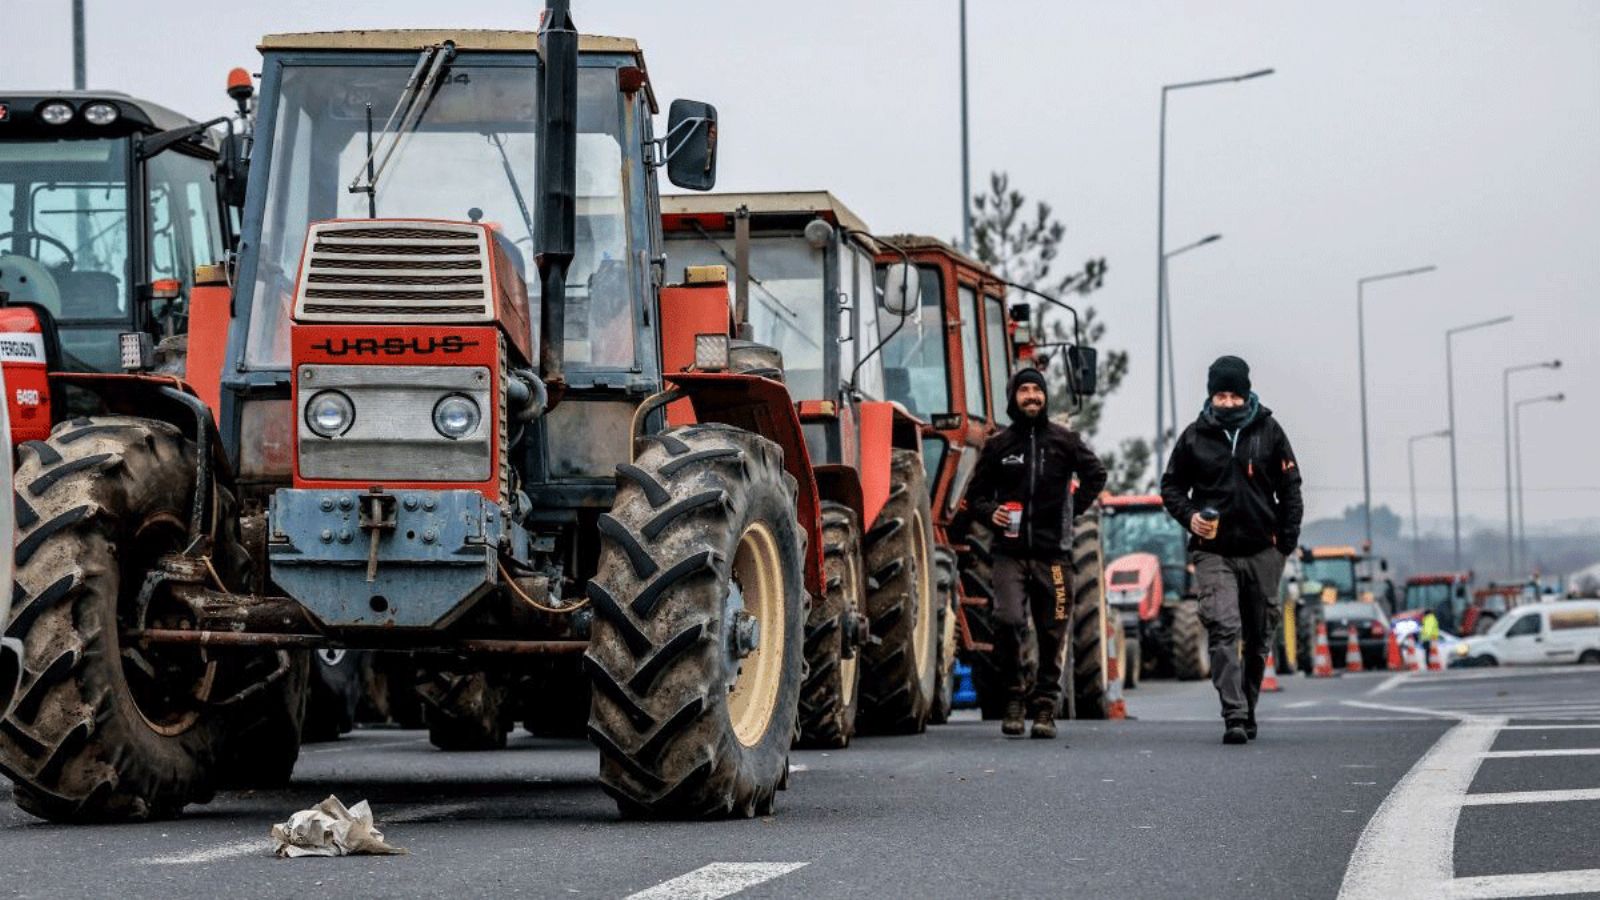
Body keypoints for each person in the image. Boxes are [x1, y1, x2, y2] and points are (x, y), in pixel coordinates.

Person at [1160, 355, 1303, 745]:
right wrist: (1190, 517)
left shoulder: (1269, 432)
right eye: (1219, 395)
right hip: (1213, 551)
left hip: (1262, 550)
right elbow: (1171, 487)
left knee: (1258, 637)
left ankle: (1249, 706)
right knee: (1224, 626)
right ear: (1211, 395)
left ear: (1246, 394)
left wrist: (1284, 544)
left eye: (1233, 395)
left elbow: (1291, 488)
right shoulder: (1194, 436)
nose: (1226, 402)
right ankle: (1234, 714)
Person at [963, 368, 1107, 739]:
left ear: (1045, 397)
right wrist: (988, 512)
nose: (1032, 396)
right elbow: (974, 496)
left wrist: (1071, 509)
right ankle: (1013, 696)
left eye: (1037, 390)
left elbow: (1096, 475)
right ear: (1013, 398)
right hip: (1009, 554)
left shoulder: (1065, 441)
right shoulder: (998, 446)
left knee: (1052, 631)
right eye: (1024, 390)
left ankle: (1045, 706)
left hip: (1054, 557)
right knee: (1009, 620)